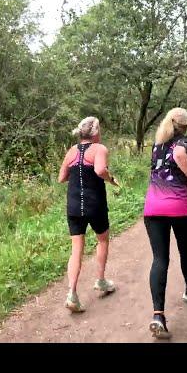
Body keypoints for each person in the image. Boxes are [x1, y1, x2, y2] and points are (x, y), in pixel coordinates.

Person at [143, 107, 187, 339]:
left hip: (152, 208)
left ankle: (158, 315)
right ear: (185, 125)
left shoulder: (157, 145)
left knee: (160, 259)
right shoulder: (185, 141)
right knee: (185, 249)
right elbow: (179, 155)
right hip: (179, 207)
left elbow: (170, 161)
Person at [58, 116, 119, 313]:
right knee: (102, 240)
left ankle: (72, 294)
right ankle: (100, 281)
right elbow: (100, 169)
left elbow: (61, 178)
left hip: (74, 206)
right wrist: (110, 178)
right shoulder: (99, 148)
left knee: (77, 248)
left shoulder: (71, 151)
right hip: (95, 204)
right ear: (96, 133)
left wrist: (77, 174)